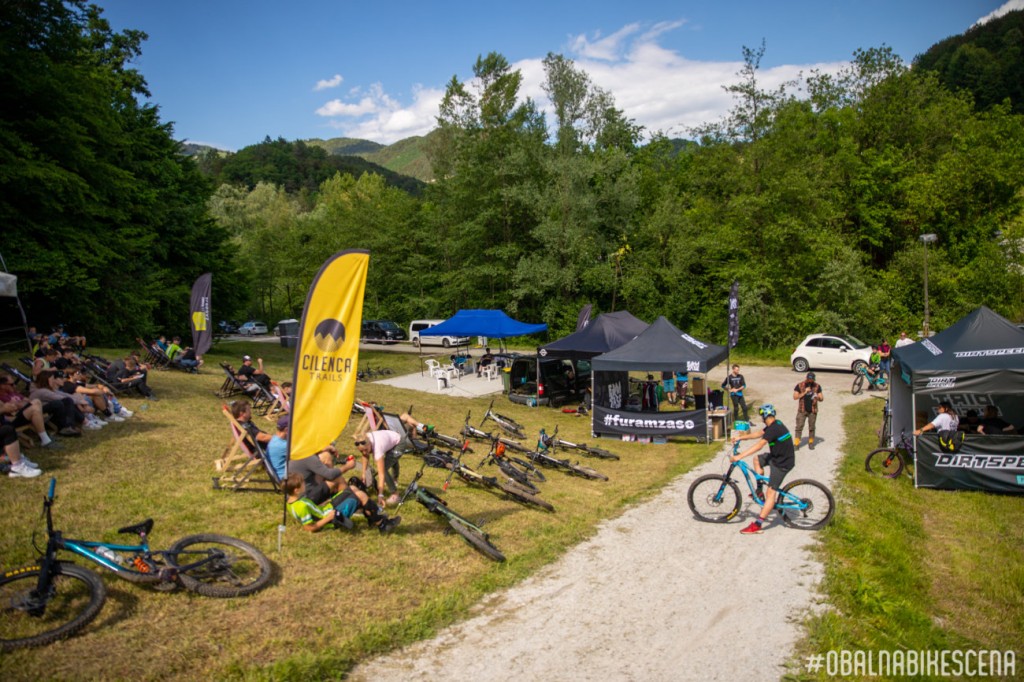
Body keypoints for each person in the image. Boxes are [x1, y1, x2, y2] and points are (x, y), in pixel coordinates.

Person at [731, 404, 795, 535]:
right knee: (757, 460)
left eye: (762, 416)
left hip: (782, 463)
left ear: (764, 416)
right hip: (776, 457)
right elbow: (759, 433)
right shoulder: (774, 424)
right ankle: (759, 491)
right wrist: (740, 437)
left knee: (771, 493)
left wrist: (739, 456)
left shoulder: (774, 429)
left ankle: (758, 525)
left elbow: (760, 445)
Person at [267, 416, 355, 500]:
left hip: (289, 476)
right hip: (293, 483)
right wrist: (348, 466)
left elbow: (306, 450)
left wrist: (324, 448)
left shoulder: (275, 440)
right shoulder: (284, 446)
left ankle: (331, 489)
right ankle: (343, 498)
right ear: (286, 430)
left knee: (323, 457)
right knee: (331, 469)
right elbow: (307, 452)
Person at [284, 472, 400, 534]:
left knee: (353, 488)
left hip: (328, 509)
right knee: (361, 496)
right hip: (332, 518)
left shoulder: (291, 502)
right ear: (296, 490)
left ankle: (372, 518)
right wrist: (328, 518)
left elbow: (313, 511)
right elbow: (309, 527)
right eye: (302, 483)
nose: (304, 484)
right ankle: (382, 524)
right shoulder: (301, 506)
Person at [354, 428, 404, 507]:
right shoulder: (364, 439)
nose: (364, 452)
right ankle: (394, 480)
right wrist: (363, 474)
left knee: (384, 468)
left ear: (370, 444)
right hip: (391, 438)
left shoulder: (377, 448)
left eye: (366, 450)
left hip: (399, 442)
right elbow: (365, 456)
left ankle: (395, 494)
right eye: (361, 451)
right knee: (390, 460)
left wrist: (380, 495)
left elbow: (381, 474)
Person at [792, 372, 824, 450]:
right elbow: (795, 397)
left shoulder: (817, 386)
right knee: (799, 427)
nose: (810, 381)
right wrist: (804, 392)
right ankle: (796, 444)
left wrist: (817, 397)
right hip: (802, 410)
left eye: (812, 380)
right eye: (809, 379)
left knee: (812, 427)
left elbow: (821, 398)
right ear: (806, 378)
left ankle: (811, 443)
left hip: (812, 410)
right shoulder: (799, 385)